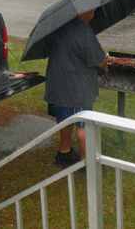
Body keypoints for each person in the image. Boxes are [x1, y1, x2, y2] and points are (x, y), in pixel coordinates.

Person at [44, 8, 108, 166]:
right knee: (83, 123)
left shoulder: (60, 25)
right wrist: (105, 63)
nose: (94, 15)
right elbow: (98, 60)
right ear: (86, 11)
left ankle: (64, 153)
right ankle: (86, 164)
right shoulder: (83, 31)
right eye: (93, 11)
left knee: (65, 119)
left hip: (58, 82)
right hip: (76, 87)